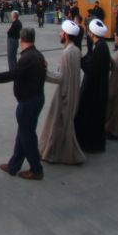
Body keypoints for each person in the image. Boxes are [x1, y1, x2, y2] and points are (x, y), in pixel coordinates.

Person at [0, 28, 47, 180]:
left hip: (28, 102)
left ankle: (36, 169)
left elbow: (12, 75)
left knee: (28, 137)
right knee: (22, 134)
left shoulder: (27, 57)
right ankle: (14, 165)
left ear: (21, 39)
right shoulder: (37, 54)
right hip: (35, 99)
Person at [39, 20, 85, 165]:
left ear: (66, 35)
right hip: (72, 91)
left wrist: (44, 72)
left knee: (58, 124)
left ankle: (54, 154)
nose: (59, 34)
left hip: (64, 93)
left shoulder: (67, 53)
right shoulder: (76, 50)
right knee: (62, 124)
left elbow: (60, 77)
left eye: (61, 32)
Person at [74, 19, 111, 153]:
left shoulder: (100, 48)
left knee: (91, 117)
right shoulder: (101, 46)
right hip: (98, 87)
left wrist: (81, 62)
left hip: (95, 90)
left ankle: (91, 145)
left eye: (89, 32)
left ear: (92, 34)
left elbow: (91, 68)